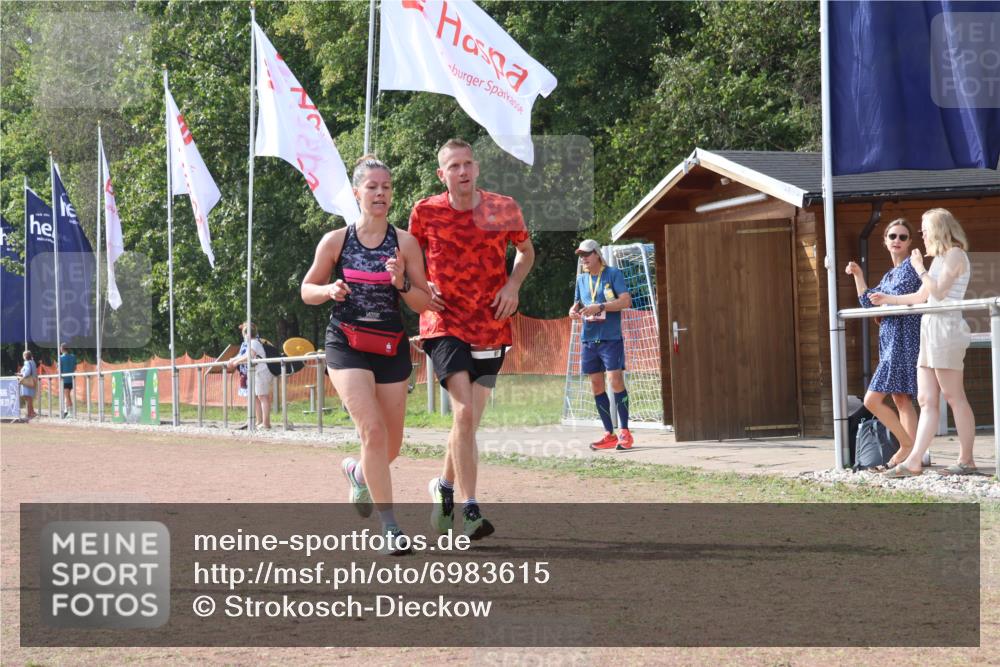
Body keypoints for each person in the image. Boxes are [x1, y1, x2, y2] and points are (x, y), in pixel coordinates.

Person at [301, 155, 431, 554]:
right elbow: (307, 289)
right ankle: (390, 525)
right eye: (372, 187)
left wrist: (401, 281)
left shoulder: (404, 242)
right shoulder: (336, 241)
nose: (380, 194)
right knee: (372, 432)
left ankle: (357, 471)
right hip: (347, 344)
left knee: (390, 447)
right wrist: (329, 291)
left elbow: (424, 302)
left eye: (386, 188)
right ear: (357, 193)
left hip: (390, 345)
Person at [411, 138, 535, 540]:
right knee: (463, 414)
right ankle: (471, 511)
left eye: (467, 164)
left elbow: (526, 253)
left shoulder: (503, 208)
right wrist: (425, 281)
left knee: (469, 422)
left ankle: (443, 487)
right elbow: (412, 260)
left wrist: (513, 286)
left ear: (477, 168)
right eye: (453, 166)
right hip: (443, 322)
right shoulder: (425, 212)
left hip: (491, 322)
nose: (462, 171)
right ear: (441, 174)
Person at [872, 209, 976, 477]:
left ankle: (966, 460)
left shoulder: (955, 254)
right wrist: (887, 299)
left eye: (924, 229)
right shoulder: (940, 258)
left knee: (954, 396)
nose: (923, 234)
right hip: (930, 329)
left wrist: (919, 268)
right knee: (926, 399)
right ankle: (914, 460)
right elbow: (922, 295)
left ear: (938, 229)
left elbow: (939, 292)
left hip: (946, 328)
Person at [844, 219, 921, 468]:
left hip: (902, 341)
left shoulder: (910, 268)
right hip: (890, 341)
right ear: (885, 241)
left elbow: (892, 301)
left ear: (910, 242)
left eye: (902, 237)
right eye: (892, 236)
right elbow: (870, 302)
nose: (897, 240)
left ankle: (907, 446)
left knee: (872, 400)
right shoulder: (890, 274)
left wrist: (884, 301)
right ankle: (910, 458)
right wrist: (859, 275)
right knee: (901, 399)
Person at [569, 239, 634, 451]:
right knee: (596, 385)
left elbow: (626, 301)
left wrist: (601, 306)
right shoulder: (581, 279)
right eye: (581, 255)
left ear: (597, 254)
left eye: (587, 254)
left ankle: (625, 432)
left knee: (615, 380)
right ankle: (609, 434)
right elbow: (577, 304)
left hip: (610, 338)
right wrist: (573, 311)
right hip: (589, 339)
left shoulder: (613, 274)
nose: (584, 258)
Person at [227, 322, 273, 430]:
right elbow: (243, 355)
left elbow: (249, 355)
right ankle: (259, 421)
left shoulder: (253, 343)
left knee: (262, 396)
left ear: (246, 334)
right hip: (256, 372)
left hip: (261, 372)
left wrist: (235, 361)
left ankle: (266, 423)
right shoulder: (252, 343)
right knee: (257, 397)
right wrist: (234, 360)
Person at [59, 343, 77, 419]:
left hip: (65, 380)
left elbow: (59, 369)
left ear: (62, 349)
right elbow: (75, 367)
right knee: (67, 395)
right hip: (71, 379)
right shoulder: (73, 357)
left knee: (67, 396)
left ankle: (71, 412)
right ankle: (66, 411)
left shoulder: (60, 358)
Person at [19, 350, 38, 420]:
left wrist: (22, 374)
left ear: (25, 356)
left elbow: (27, 372)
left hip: (28, 381)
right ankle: (31, 412)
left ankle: (30, 413)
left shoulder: (26, 362)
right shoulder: (33, 362)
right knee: (30, 398)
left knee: (28, 398)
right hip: (33, 381)